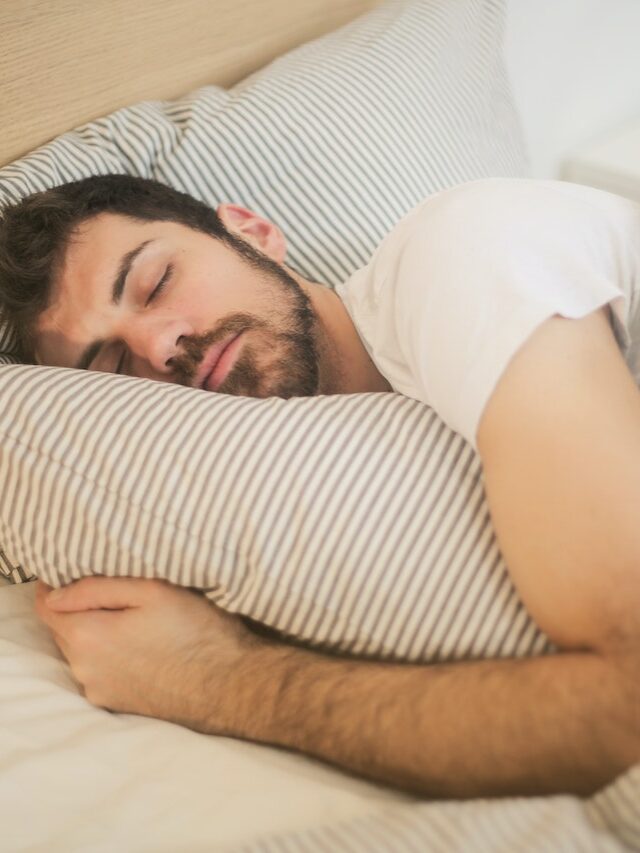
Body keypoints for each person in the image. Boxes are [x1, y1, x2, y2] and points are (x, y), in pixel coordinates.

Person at [0, 174, 639, 799]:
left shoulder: (463, 257)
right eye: (114, 366)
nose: (159, 345)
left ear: (252, 233)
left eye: (157, 282)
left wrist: (215, 680)